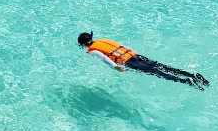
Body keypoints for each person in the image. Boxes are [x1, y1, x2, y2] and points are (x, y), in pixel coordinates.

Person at [78, 31, 209, 90]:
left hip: (129, 62)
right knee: (163, 67)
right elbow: (124, 46)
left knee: (157, 73)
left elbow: (103, 57)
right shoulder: (103, 40)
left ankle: (186, 82)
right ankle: (192, 75)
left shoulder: (92, 50)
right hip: (135, 55)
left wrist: (114, 66)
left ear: (83, 44)